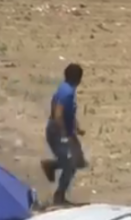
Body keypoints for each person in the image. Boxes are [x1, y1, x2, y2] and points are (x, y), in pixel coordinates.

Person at [40, 63, 86, 205]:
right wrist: (64, 134)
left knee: (79, 161)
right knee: (70, 164)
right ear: (79, 78)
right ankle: (59, 196)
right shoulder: (67, 93)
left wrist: (76, 128)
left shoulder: (64, 88)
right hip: (58, 133)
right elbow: (58, 114)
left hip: (62, 131)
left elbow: (65, 112)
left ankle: (52, 166)